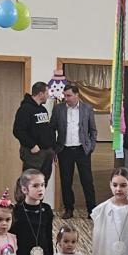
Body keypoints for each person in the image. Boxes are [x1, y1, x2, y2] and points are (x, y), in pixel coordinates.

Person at [51, 84, 99, 219]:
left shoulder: (87, 108)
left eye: (69, 95)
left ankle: (91, 209)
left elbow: (93, 130)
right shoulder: (58, 109)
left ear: (77, 95)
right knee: (66, 181)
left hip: (82, 150)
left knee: (87, 181)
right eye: (65, 95)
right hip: (64, 150)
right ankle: (69, 208)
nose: (66, 98)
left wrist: (91, 147)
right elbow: (51, 128)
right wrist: (54, 148)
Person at [13, 82, 56, 177]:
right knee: (31, 181)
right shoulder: (25, 109)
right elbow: (18, 131)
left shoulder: (43, 109)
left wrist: (52, 148)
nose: (48, 96)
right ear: (40, 94)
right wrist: (32, 145)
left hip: (47, 152)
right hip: (33, 153)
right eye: (46, 93)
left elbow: (46, 129)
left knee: (43, 181)